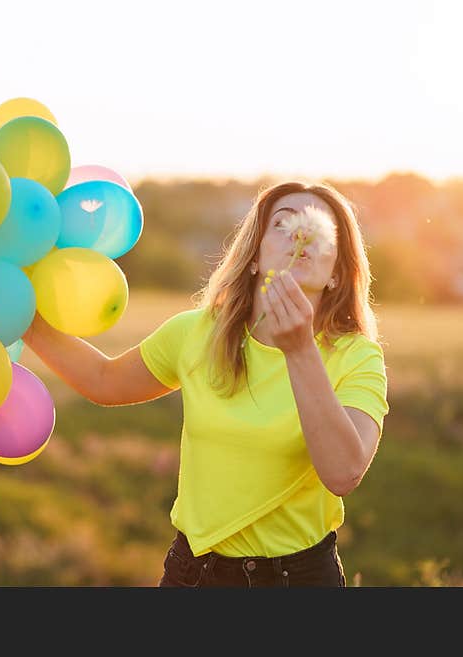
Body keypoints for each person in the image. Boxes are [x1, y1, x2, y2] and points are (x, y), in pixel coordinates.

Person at [21, 180, 389, 587]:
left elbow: (343, 473)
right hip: (194, 575)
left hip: (295, 579)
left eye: (316, 227)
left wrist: (301, 351)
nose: (298, 236)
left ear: (337, 272)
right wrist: (22, 317)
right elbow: (104, 381)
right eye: (281, 225)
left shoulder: (358, 356)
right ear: (254, 258)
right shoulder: (195, 333)